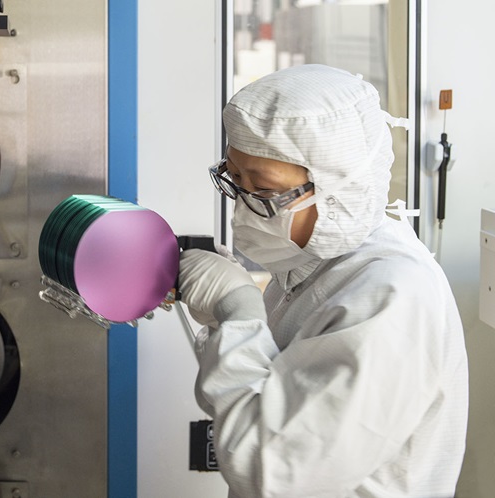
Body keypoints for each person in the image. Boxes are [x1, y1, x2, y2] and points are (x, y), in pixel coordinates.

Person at [177, 64, 468, 497]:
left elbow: (274, 472)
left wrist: (238, 312)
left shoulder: (393, 296)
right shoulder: (312, 261)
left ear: (337, 190)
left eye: (265, 191)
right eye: (235, 180)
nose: (243, 208)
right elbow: (281, 390)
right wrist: (228, 319)